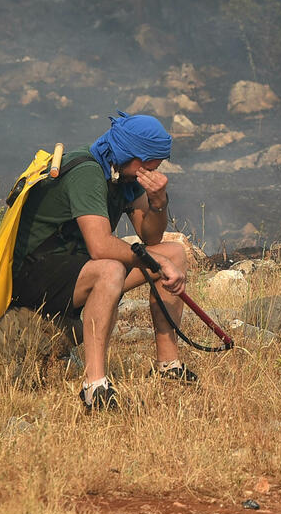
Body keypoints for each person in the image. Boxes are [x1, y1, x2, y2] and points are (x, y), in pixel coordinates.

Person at [10, 111, 193, 412]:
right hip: (34, 271)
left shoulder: (122, 175)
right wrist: (156, 263)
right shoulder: (88, 173)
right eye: (148, 164)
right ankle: (94, 387)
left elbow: (149, 235)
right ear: (128, 153)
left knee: (174, 252)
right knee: (110, 269)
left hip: (73, 267)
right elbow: (99, 247)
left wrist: (159, 201)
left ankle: (168, 365)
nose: (152, 171)